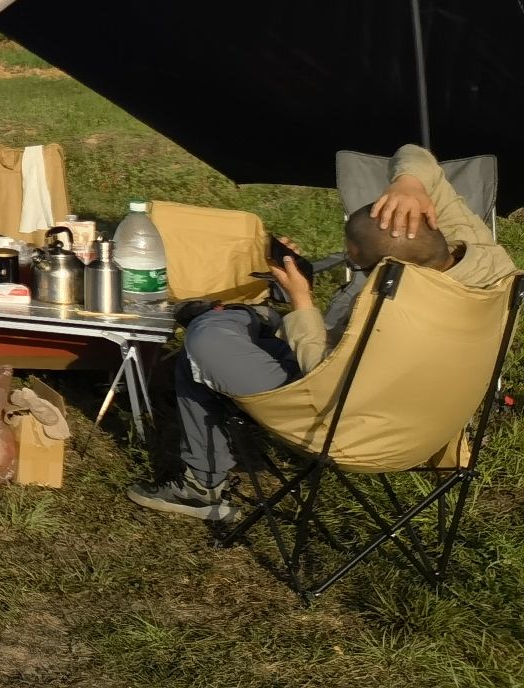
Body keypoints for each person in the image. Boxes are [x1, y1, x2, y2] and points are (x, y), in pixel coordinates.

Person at [129, 144, 516, 520]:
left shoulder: (390, 315)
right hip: (433, 430)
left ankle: (201, 487)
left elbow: (322, 372)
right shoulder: (489, 260)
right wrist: (410, 184)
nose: (356, 270)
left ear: (388, 268)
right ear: (430, 221)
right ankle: (249, 319)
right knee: (234, 327)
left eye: (359, 266)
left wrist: (301, 299)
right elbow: (415, 153)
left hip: (350, 428)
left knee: (205, 338)